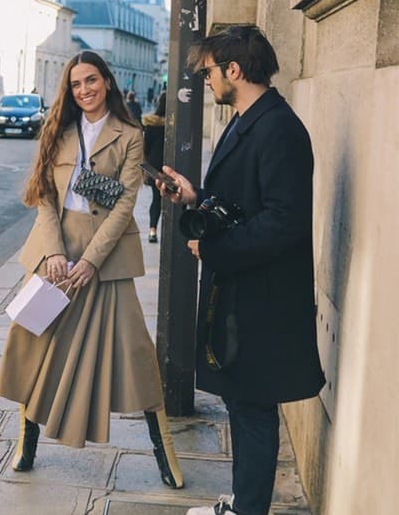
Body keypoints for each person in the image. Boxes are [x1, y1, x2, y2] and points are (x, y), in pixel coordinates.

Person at [0, 51, 183, 490]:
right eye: (77, 84)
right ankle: (26, 443)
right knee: (31, 347)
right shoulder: (56, 129)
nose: (85, 90)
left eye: (92, 80)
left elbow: (123, 206)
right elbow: (43, 194)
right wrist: (56, 252)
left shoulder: (131, 134)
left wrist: (90, 261)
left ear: (107, 82)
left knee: (136, 354)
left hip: (106, 258)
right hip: (53, 253)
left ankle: (166, 455)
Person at [156, 26, 325, 515]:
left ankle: (249, 510)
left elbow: (283, 221)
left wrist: (214, 250)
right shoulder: (248, 119)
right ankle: (245, 503)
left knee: (252, 408)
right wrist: (195, 198)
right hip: (244, 291)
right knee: (243, 404)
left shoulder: (278, 127)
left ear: (234, 69)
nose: (206, 80)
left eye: (209, 71)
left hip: (262, 296)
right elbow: (246, 203)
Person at [142, 91, 167, 242]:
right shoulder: (175, 125)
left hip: (154, 167)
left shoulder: (152, 125)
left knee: (156, 199)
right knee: (175, 201)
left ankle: (152, 231)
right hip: (171, 166)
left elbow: (145, 148)